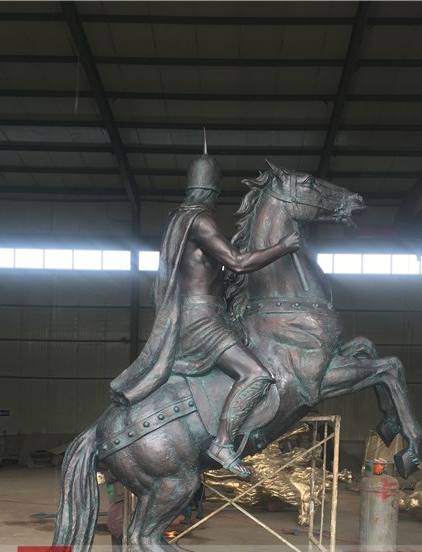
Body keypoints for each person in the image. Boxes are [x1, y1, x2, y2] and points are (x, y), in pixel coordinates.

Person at [110, 147, 300, 478]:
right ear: (212, 189)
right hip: (202, 322)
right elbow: (238, 263)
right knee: (256, 374)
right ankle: (222, 443)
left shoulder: (178, 221)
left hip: (203, 316)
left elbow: (208, 271)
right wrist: (283, 246)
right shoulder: (199, 221)